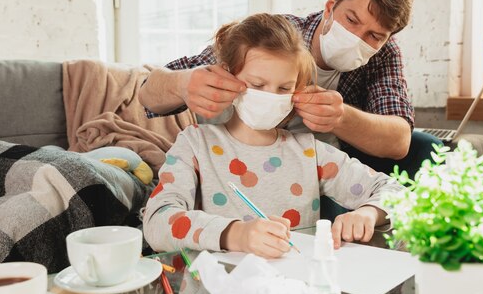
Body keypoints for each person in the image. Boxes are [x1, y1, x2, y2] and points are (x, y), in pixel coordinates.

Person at [139, 0, 441, 180]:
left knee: (429, 149)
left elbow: (399, 139)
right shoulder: (277, 37)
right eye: (352, 19)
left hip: (332, 156)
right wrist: (183, 84)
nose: (358, 38)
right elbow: (147, 93)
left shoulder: (384, 53)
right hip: (263, 160)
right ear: (330, 4)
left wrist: (339, 117)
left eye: (374, 36)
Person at [142, 14, 402, 258]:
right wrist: (236, 234)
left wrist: (369, 214)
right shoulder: (196, 145)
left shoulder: (310, 152)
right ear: (227, 76)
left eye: (284, 88)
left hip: (293, 290)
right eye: (257, 85)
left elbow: (398, 193)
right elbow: (157, 222)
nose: (271, 96)